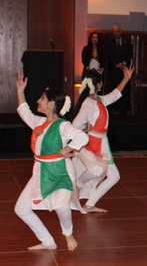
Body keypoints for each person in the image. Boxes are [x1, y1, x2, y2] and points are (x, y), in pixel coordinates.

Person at [15, 71, 89, 251]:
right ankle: (48, 241)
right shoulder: (39, 123)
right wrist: (20, 90)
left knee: (61, 206)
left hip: (59, 170)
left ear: (51, 104)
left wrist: (67, 149)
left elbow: (82, 137)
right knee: (21, 209)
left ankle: (68, 234)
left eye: (41, 98)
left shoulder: (63, 125)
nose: (38, 101)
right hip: (40, 171)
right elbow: (24, 112)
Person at [72, 67, 134, 212]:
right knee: (96, 171)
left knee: (114, 176)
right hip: (89, 144)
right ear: (99, 84)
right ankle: (78, 185)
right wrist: (87, 127)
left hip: (102, 144)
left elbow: (114, 95)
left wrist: (126, 79)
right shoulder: (88, 103)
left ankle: (90, 204)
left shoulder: (99, 100)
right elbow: (75, 124)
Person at [107, 25, 133, 114]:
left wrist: (124, 63)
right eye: (113, 32)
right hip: (114, 71)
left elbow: (130, 54)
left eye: (117, 31)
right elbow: (109, 55)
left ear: (121, 32)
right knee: (115, 89)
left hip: (125, 70)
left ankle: (127, 109)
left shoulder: (127, 42)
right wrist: (117, 64)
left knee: (126, 90)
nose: (115, 33)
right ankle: (116, 109)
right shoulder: (109, 43)